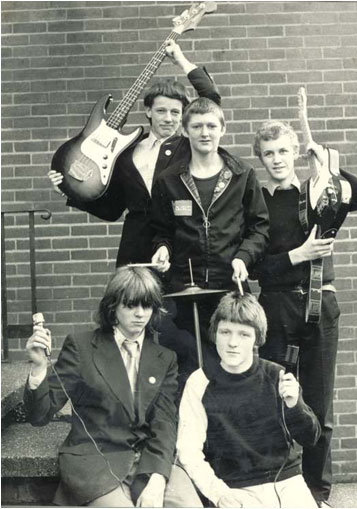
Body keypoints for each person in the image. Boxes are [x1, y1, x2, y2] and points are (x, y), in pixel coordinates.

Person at [252, 119, 357, 507]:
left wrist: (327, 163)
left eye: (284, 151)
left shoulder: (316, 192)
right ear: (260, 158)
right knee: (275, 395)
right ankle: (279, 484)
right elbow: (256, 268)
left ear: (295, 154)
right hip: (274, 305)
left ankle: (317, 492)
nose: (277, 159)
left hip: (319, 305)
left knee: (318, 403)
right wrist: (298, 256)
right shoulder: (255, 200)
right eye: (269, 153)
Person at [24, 266, 199, 507]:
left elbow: (164, 424)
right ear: (113, 307)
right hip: (96, 464)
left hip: (150, 462)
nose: (140, 314)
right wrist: (39, 367)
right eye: (131, 305)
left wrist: (158, 481)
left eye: (146, 305)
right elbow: (39, 414)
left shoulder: (164, 358)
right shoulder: (82, 347)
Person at [48, 41, 221, 267]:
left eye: (175, 112)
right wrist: (67, 189)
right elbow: (112, 209)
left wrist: (180, 59)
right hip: (135, 247)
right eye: (161, 111)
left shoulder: (190, 147)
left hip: (181, 245)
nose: (168, 119)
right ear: (148, 111)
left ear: (183, 115)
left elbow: (211, 99)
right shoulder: (126, 151)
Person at [150, 97, 269, 384]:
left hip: (228, 290)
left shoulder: (242, 175)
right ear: (186, 130)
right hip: (181, 294)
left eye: (211, 126)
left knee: (231, 370)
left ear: (222, 129)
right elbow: (159, 230)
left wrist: (243, 257)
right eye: (198, 126)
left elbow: (260, 228)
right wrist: (162, 249)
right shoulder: (168, 180)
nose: (205, 132)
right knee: (187, 373)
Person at [176, 292, 320, 508]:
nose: (232, 342)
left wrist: (294, 405)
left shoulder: (276, 375)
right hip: (235, 487)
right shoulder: (200, 382)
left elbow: (311, 437)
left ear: (256, 339)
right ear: (215, 334)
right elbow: (188, 451)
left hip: (287, 482)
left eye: (243, 334)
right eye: (225, 332)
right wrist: (219, 493)